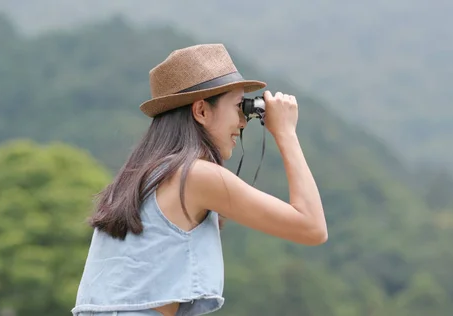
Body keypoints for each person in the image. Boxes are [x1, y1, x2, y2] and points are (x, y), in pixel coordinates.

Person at [71, 44, 327, 316]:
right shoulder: (195, 175)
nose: (243, 122)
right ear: (201, 111)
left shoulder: (141, 176)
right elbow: (312, 228)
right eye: (239, 107)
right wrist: (286, 133)